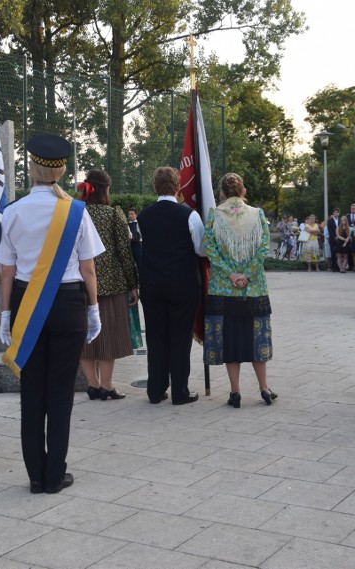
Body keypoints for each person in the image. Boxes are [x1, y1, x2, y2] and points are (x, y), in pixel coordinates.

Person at [0, 134, 104, 493]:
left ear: (31, 168)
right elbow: (88, 269)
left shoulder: (11, 212)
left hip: (28, 304)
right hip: (69, 303)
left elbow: (6, 272)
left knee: (32, 392)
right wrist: (93, 309)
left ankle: (35, 475)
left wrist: (6, 314)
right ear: (60, 171)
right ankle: (56, 474)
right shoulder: (77, 211)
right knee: (60, 393)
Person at [203, 173, 276, 408]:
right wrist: (247, 274)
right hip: (253, 289)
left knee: (230, 340)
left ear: (222, 193)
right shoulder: (258, 214)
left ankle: (235, 392)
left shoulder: (215, 214)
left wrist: (230, 275)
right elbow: (264, 247)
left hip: (224, 290)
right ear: (243, 191)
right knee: (257, 339)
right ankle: (264, 388)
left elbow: (210, 250)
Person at [137, 166, 206, 405]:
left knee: (156, 336)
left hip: (152, 283)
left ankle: (155, 390)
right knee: (180, 336)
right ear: (178, 187)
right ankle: (180, 390)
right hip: (182, 283)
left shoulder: (144, 216)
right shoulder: (189, 215)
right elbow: (201, 249)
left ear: (155, 187)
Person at [77, 169, 139, 401]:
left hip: (81, 284)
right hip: (112, 284)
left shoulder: (75, 212)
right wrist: (133, 283)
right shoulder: (113, 214)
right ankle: (107, 385)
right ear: (105, 189)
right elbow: (124, 252)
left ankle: (92, 384)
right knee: (109, 334)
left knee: (85, 335)